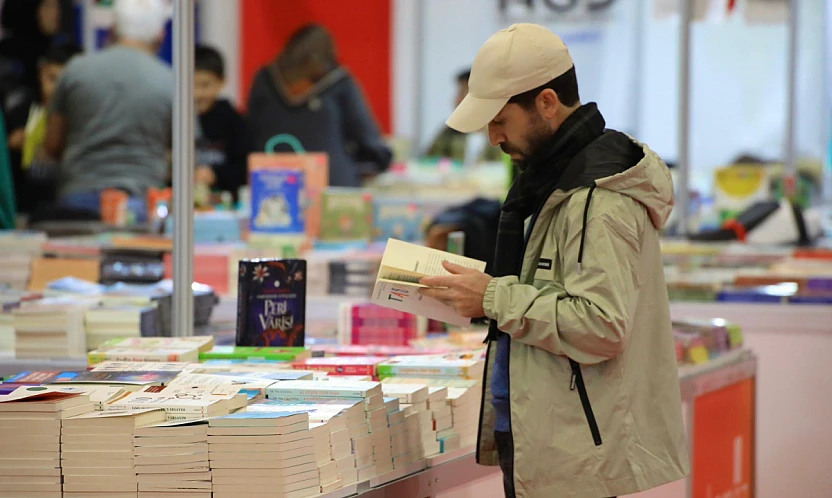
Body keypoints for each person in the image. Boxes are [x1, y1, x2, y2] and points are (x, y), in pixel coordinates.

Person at [420, 24, 689, 498]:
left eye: (501, 118)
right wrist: (486, 291)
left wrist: (492, 294)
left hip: (576, 447)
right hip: (547, 431)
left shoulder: (599, 198)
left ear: (546, 102)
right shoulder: (550, 181)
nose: (493, 135)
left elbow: (601, 324)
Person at [43, 0, 172, 222]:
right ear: (160, 37)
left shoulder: (76, 70)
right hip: (140, 205)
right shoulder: (171, 82)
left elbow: (52, 144)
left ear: (112, 31)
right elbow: (182, 157)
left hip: (76, 203)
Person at [247, 24, 392, 187]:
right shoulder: (340, 83)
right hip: (332, 187)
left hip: (271, 184)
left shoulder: (264, 79)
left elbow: (250, 133)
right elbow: (366, 135)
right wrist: (381, 161)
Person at [4, 41, 81, 214]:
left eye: (64, 83)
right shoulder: (21, 110)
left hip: (70, 208)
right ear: (41, 73)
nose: (56, 91)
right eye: (52, 79)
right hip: (25, 211)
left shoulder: (83, 117)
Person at [193, 44, 249, 201]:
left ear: (221, 82)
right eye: (192, 84)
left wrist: (215, 174)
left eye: (205, 85)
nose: (197, 93)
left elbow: (244, 166)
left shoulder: (233, 121)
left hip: (225, 201)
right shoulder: (176, 118)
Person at [424, 68, 503, 164]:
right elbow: (428, 162)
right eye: (458, 93)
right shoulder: (450, 131)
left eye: (462, 93)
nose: (457, 99)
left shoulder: (500, 132)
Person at [0, 0, 65, 101]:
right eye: (48, 6)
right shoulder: (6, 57)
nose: (56, 13)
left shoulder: (62, 50)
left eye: (57, 7)